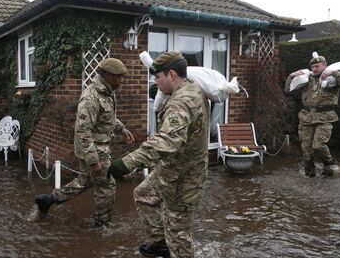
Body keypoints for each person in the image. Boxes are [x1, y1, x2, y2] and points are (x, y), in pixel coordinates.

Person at [107, 51, 209, 258]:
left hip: (183, 180)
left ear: (172, 74)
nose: (155, 82)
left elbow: (168, 140)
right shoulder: (189, 89)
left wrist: (127, 162)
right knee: (143, 194)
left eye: (158, 77)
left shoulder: (182, 102)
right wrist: (163, 94)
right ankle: (160, 243)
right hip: (169, 170)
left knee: (178, 235)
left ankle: (172, 247)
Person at [30, 58, 135, 226]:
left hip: (99, 147)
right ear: (108, 75)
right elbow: (82, 131)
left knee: (83, 182)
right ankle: (102, 225)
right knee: (107, 185)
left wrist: (121, 128)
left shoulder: (107, 92)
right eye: (118, 77)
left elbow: (107, 117)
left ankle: (48, 200)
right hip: (94, 149)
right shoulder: (91, 97)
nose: (121, 81)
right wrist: (93, 160)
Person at [285, 53, 340, 177]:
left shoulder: (332, 79)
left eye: (317, 66)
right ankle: (309, 173)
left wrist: (334, 73)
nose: (314, 69)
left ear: (325, 65)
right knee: (306, 149)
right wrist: (291, 76)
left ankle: (329, 163)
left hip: (324, 116)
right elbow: (288, 89)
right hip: (307, 117)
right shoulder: (307, 79)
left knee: (318, 145)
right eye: (312, 67)